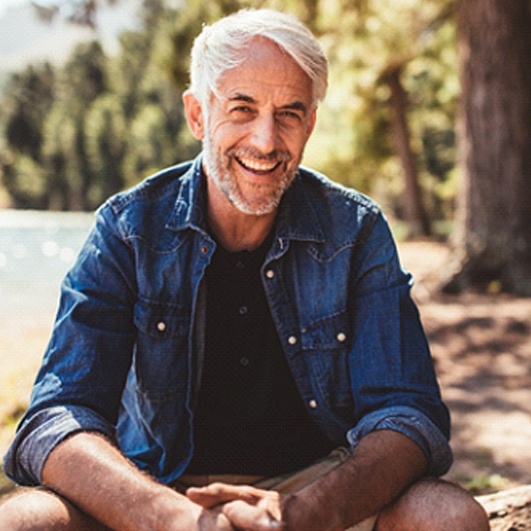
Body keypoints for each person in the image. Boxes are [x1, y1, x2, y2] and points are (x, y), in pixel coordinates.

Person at [0, 8, 488, 530]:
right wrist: (172, 518)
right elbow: (57, 416)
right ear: (197, 114)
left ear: (311, 124)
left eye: (289, 113)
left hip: (320, 488)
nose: (265, 140)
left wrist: (298, 514)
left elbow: (408, 415)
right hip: (156, 487)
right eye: (242, 108)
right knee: (27, 520)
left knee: (447, 516)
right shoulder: (128, 229)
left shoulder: (356, 230)